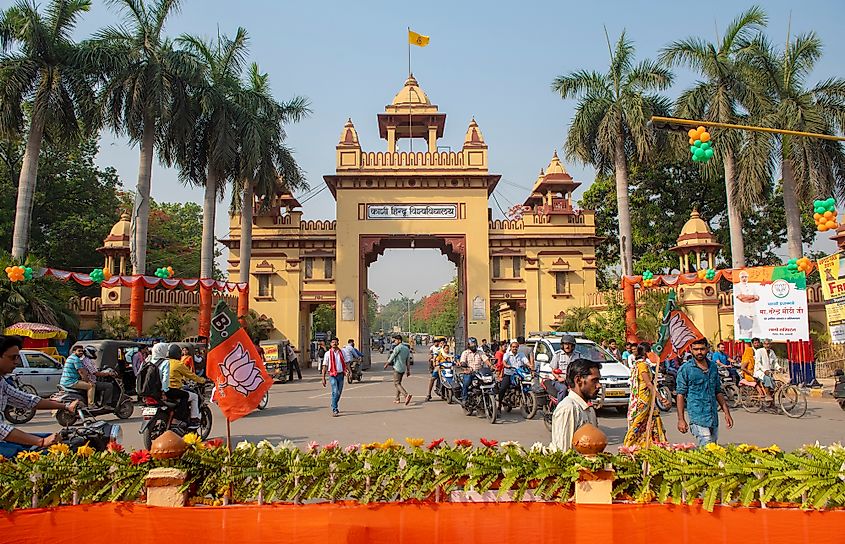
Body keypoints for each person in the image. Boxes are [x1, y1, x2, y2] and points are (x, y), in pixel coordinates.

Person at [0, 336, 82, 458]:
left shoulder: (2, 382)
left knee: (61, 441)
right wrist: (41, 442)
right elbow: (1, 430)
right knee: (28, 455)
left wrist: (65, 406)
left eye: (17, 357)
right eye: (13, 357)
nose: (17, 362)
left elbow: (27, 400)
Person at [676, 338, 734, 446]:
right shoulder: (686, 369)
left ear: (707, 349)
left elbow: (718, 391)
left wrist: (726, 412)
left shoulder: (712, 367)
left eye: (702, 349)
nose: (699, 352)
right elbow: (680, 394)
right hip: (697, 415)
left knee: (713, 446)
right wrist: (681, 419)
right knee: (706, 442)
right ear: (691, 350)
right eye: (696, 349)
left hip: (712, 415)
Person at [550, 358, 602, 452]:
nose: (599, 385)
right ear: (578, 380)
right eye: (594, 381)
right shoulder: (568, 408)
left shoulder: (589, 409)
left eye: (598, 381)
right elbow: (563, 452)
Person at [623, 342, 667, 447]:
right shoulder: (642, 365)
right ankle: (629, 445)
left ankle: (651, 443)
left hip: (644, 397)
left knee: (651, 421)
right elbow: (648, 384)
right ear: (646, 352)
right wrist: (660, 398)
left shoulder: (639, 364)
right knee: (638, 422)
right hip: (643, 398)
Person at [167, 344, 206, 425]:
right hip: (175, 388)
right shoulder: (178, 364)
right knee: (194, 396)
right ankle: (194, 418)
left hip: (165, 389)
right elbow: (190, 374)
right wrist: (202, 380)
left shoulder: (165, 363)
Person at [458, 337, 490, 402]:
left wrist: (491, 366)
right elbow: (462, 362)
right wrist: (465, 367)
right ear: (468, 345)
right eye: (472, 344)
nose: (473, 345)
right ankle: (464, 399)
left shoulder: (480, 352)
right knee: (466, 384)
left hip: (480, 373)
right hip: (469, 373)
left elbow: (486, 360)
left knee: (489, 382)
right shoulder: (465, 353)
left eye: (474, 343)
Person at [321, 337, 347, 416]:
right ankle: (335, 408)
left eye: (336, 342)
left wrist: (349, 371)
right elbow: (325, 366)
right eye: (333, 342)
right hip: (332, 375)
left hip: (341, 374)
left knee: (338, 393)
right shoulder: (328, 354)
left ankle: (333, 403)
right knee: (335, 391)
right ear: (330, 344)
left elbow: (346, 363)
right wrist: (323, 378)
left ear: (338, 343)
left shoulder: (342, 352)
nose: (334, 343)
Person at [499, 340, 529, 408]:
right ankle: (499, 404)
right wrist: (506, 365)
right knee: (503, 388)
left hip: (519, 374)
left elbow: (526, 361)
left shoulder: (521, 354)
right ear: (510, 347)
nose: (514, 348)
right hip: (509, 374)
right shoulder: (507, 354)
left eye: (516, 347)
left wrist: (530, 366)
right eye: (513, 347)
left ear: (518, 348)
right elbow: (504, 361)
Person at [548, 335, 577, 401]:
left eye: (569, 344)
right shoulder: (558, 355)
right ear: (562, 345)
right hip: (559, 381)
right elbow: (553, 370)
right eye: (565, 344)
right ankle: (560, 407)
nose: (567, 346)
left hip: (573, 381)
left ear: (572, 346)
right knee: (563, 389)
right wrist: (558, 377)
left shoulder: (577, 355)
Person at [385, 334, 412, 405]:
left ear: (399, 340)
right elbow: (408, 360)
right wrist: (408, 370)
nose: (395, 342)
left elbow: (392, 356)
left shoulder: (397, 348)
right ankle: (397, 398)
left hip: (397, 367)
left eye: (396, 340)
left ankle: (406, 395)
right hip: (403, 368)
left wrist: (387, 363)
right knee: (398, 383)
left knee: (396, 383)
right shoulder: (406, 348)